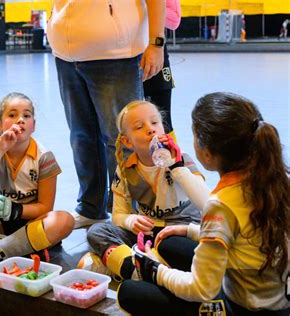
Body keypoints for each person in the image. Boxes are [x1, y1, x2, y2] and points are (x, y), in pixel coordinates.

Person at [117, 92, 290, 316]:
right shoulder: (273, 179)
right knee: (170, 243)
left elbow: (200, 289)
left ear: (207, 154)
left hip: (244, 308)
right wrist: (190, 230)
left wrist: (154, 270)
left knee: (130, 292)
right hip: (275, 295)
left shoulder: (221, 205)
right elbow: (246, 235)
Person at [47, 0, 166, 228]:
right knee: (82, 138)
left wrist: (157, 43)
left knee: (124, 141)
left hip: (116, 54)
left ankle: (132, 214)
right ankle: (91, 207)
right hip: (66, 55)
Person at [78, 100, 210, 280]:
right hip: (148, 233)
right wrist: (131, 220)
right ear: (127, 141)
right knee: (96, 231)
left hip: (180, 232)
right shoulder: (126, 169)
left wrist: (178, 167)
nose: (151, 129)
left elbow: (206, 202)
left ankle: (129, 264)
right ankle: (142, 267)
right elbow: (118, 215)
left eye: (155, 123)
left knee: (170, 246)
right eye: (139, 127)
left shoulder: (180, 159)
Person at [0, 92, 74, 266]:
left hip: (30, 223)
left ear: (34, 125)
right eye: (12, 115)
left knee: (64, 220)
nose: (20, 120)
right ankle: (12, 249)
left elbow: (45, 208)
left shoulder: (44, 157)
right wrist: (0, 150)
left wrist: (13, 210)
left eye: (26, 115)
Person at [143, 0, 181, 137]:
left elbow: (174, 20)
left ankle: (171, 158)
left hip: (154, 54)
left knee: (162, 122)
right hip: (120, 57)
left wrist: (143, 8)